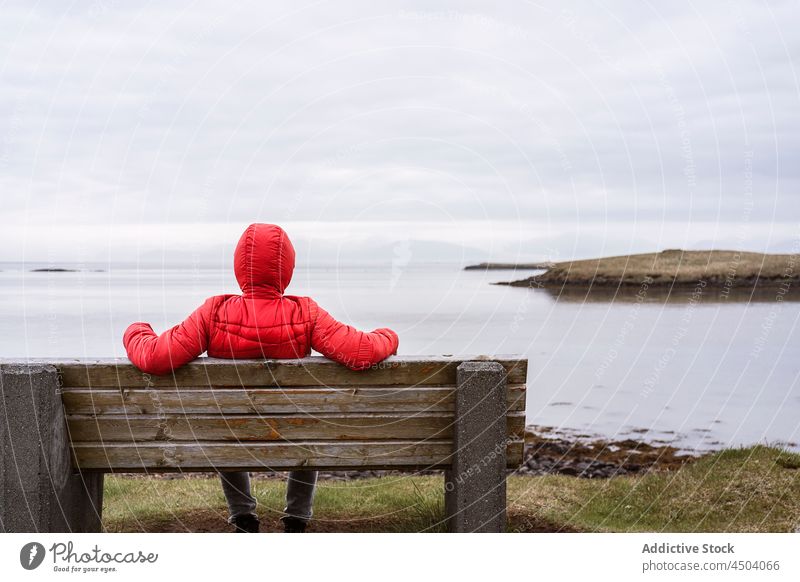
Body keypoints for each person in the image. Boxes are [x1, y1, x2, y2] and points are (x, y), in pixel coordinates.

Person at [122, 223, 399, 533]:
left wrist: (136, 331)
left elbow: (156, 358)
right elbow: (360, 352)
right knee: (308, 424)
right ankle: (296, 517)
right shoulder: (305, 312)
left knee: (227, 419)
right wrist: (387, 336)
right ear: (287, 267)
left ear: (240, 265)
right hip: (296, 435)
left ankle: (242, 515)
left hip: (231, 434)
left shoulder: (214, 311)